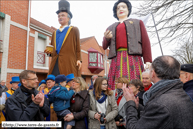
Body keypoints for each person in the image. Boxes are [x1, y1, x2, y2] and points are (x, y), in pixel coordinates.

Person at [122, 55, 193, 129]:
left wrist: (130, 103)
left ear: (152, 73)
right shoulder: (182, 94)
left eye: (149, 70)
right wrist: (138, 107)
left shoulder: (160, 103)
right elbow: (157, 117)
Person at [102, 0, 152, 90]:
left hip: (133, 58)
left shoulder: (138, 23)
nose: (120, 9)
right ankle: (117, 100)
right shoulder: (110, 27)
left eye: (123, 7)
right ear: (115, 12)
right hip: (116, 58)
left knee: (135, 81)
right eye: (118, 8)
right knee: (117, 83)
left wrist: (147, 60)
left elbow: (145, 41)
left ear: (128, 10)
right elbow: (104, 46)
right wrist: (106, 38)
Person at [44, 0, 81, 77]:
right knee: (53, 81)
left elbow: (78, 46)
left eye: (62, 15)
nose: (60, 17)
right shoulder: (54, 32)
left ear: (68, 18)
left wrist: (79, 59)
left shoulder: (74, 29)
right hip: (55, 62)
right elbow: (52, 49)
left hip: (68, 61)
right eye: (59, 16)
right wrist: (49, 52)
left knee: (68, 81)